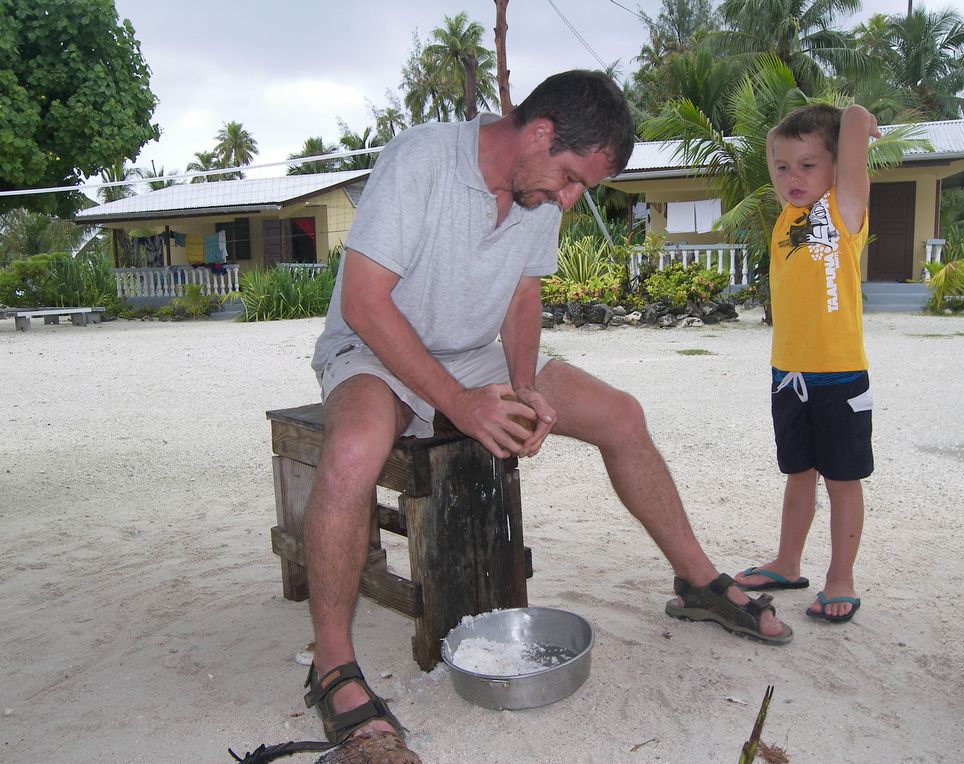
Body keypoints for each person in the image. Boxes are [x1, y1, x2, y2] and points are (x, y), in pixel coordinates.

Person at [304, 70, 792, 762]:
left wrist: (525, 385)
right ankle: (332, 667)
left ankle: (699, 580)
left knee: (623, 415)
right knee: (354, 450)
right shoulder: (421, 160)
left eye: (580, 190)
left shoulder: (537, 194)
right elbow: (364, 302)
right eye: (570, 179)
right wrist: (460, 403)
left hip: (475, 354)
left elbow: (521, 299)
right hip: (375, 347)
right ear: (537, 133)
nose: (568, 200)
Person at [733, 104, 881, 624]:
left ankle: (840, 578)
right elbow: (788, 155)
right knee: (798, 473)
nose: (792, 177)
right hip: (788, 375)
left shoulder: (842, 213)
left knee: (842, 480)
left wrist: (857, 119)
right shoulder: (785, 218)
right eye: (782, 166)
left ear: (836, 168)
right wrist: (782, 143)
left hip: (839, 375)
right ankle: (787, 561)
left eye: (808, 165)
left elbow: (856, 143)